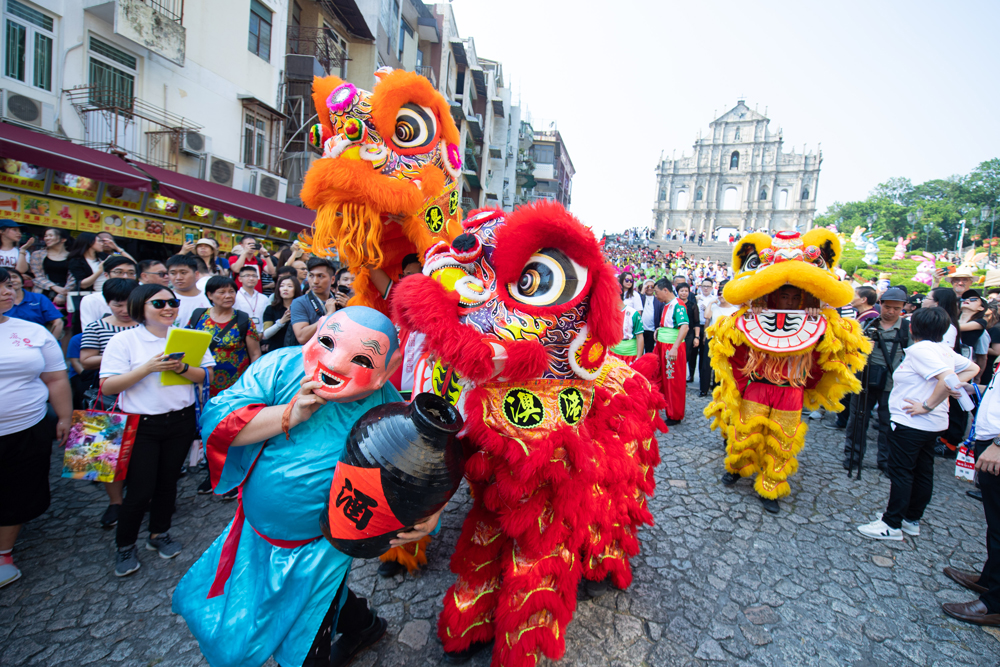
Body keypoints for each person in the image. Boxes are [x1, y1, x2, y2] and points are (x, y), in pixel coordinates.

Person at [172, 308, 440, 667]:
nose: (335, 363)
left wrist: (428, 513)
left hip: (323, 546)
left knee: (306, 636)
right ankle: (364, 625)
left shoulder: (391, 415)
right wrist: (289, 413)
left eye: (362, 359)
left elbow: (419, 473)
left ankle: (346, 633)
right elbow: (218, 421)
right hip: (254, 531)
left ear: (386, 370)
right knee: (235, 610)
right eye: (327, 342)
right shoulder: (279, 367)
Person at [99, 284, 216, 576]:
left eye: (172, 302)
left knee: (168, 483)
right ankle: (125, 545)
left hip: (180, 421)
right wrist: (147, 368)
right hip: (141, 424)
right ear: (140, 307)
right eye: (159, 303)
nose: (168, 308)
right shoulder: (125, 340)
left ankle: (159, 533)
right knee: (140, 490)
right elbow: (108, 386)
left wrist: (181, 368)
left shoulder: (190, 337)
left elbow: (206, 376)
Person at [857, 307, 978, 541]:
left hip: (912, 422)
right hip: (932, 424)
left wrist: (927, 404)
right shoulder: (944, 350)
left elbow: (946, 378)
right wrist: (952, 386)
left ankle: (891, 523)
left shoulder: (921, 350)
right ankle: (911, 519)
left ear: (912, 328)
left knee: (902, 472)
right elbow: (973, 368)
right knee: (923, 471)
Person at [0, 267, 72, 588]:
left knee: (19, 489)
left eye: (8, 285)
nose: (7, 291)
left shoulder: (32, 331)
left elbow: (56, 378)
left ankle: (4, 553)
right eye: (0, 287)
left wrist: (64, 417)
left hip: (27, 426)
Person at [79, 278, 140, 528]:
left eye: (128, 304)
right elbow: (86, 360)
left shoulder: (147, 325)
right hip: (107, 399)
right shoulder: (97, 326)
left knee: (140, 454)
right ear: (107, 303)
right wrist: (119, 354)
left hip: (142, 396)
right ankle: (115, 502)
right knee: (104, 455)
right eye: (117, 304)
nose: (124, 310)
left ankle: (141, 497)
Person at [941, 372, 1000, 626]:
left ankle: (995, 605)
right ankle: (990, 580)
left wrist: (999, 444)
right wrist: (977, 389)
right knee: (995, 525)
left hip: (996, 447)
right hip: (990, 442)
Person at [843, 287, 909, 473]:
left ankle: (886, 461)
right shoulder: (867, 324)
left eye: (896, 308)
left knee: (887, 424)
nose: (891, 312)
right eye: (887, 307)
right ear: (881, 304)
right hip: (864, 380)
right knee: (857, 421)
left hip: (892, 384)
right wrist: (861, 347)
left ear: (902, 308)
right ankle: (852, 457)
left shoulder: (906, 329)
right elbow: (849, 349)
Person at [187, 276, 261, 398]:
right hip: (203, 382)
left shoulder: (243, 320)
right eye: (222, 292)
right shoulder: (199, 316)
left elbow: (255, 354)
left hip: (235, 386)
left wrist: (251, 382)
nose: (228, 296)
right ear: (210, 295)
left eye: (231, 292)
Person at [652, 278, 689, 425]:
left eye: (657, 292)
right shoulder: (667, 305)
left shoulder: (678, 305)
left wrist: (674, 347)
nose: (655, 295)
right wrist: (659, 330)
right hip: (662, 344)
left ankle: (675, 414)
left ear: (665, 290)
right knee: (659, 376)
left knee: (672, 380)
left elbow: (684, 327)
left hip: (671, 346)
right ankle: (660, 406)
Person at [289, 258, 338, 346]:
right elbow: (302, 337)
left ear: (333, 280)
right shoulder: (299, 302)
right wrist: (328, 315)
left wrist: (347, 308)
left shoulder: (339, 301)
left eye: (320, 276)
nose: (315, 281)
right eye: (311, 275)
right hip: (311, 352)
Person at [78, 257, 137, 329]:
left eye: (131, 273)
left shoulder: (143, 297)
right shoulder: (91, 300)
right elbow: (88, 329)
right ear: (106, 275)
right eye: (119, 272)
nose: (125, 276)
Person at [5, 269, 63, 339]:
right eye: (7, 278)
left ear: (22, 281)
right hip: (7, 339)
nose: (12, 280)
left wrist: (51, 342)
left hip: (37, 340)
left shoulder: (39, 298)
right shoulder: (2, 302)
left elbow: (58, 322)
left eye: (14, 277)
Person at [66, 232, 108, 325]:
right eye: (99, 241)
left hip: (107, 295)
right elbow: (83, 284)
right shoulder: (76, 261)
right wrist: (100, 271)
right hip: (91, 297)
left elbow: (131, 263)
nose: (102, 244)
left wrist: (117, 248)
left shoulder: (103, 257)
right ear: (90, 242)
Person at [29, 228, 73, 308]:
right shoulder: (37, 254)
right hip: (42, 292)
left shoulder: (72, 257)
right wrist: (54, 287)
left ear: (63, 239)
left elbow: (73, 278)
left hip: (64, 295)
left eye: (50, 235)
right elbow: (37, 276)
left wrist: (62, 294)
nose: (47, 238)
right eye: (46, 236)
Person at [166, 254, 210, 328]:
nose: (178, 278)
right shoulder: (164, 300)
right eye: (173, 273)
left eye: (183, 273)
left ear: (196, 274)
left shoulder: (210, 298)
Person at [261, 274, 300, 354]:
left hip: (297, 351)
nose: (285, 289)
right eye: (282, 286)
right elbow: (266, 334)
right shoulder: (271, 309)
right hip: (276, 352)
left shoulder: (301, 308)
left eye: (290, 286)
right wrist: (281, 322)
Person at [234, 265, 268, 329]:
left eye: (254, 276)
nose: (251, 278)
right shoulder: (235, 297)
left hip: (261, 332)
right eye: (247, 276)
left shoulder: (264, 298)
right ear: (240, 279)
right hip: (241, 332)